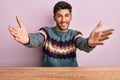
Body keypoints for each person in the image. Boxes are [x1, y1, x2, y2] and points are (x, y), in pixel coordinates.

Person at [8, 1, 114, 67]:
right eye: (59, 16)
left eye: (66, 15)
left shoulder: (74, 34)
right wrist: (28, 40)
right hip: (48, 77)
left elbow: (82, 43)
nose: (63, 20)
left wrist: (89, 43)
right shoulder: (46, 32)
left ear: (71, 17)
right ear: (54, 17)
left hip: (72, 76)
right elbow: (38, 38)